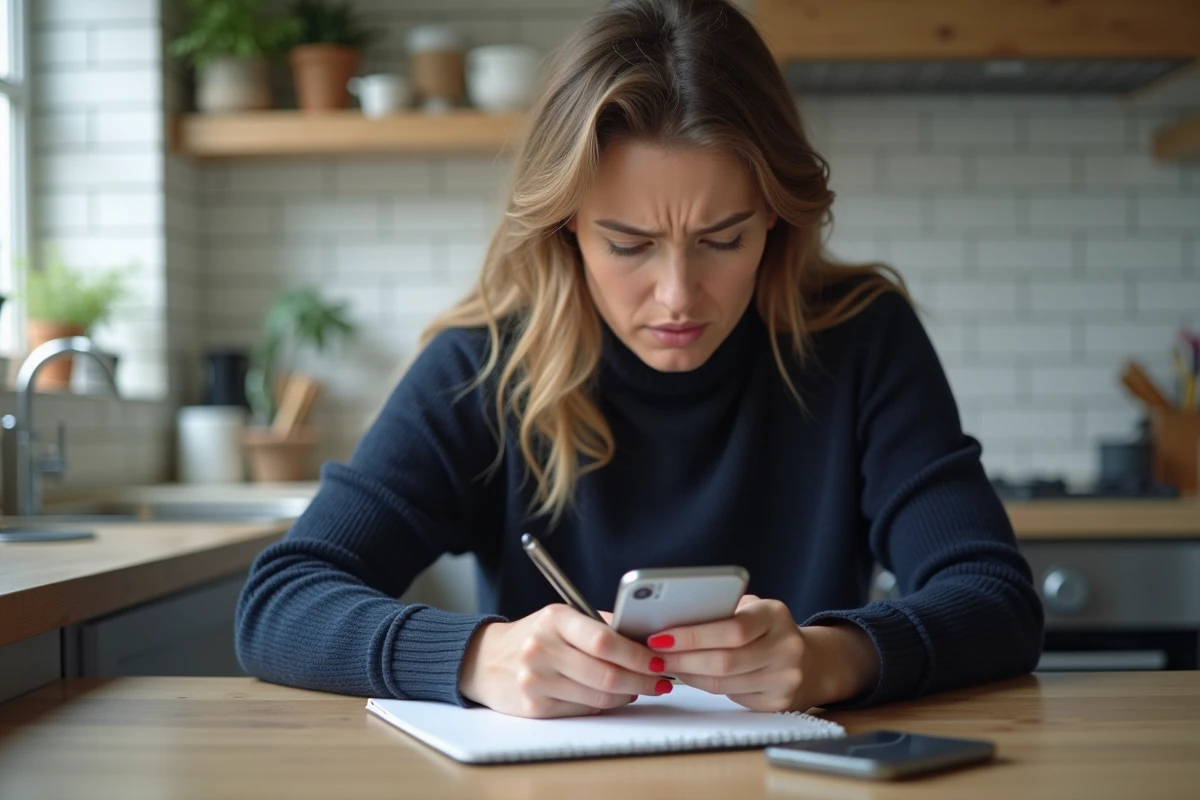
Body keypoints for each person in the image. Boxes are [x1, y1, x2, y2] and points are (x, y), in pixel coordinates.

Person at [235, 0, 1043, 719]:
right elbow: (280, 601)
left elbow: (995, 599)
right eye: (629, 245)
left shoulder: (862, 339)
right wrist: (479, 657)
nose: (678, 296)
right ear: (567, 231)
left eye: (723, 240)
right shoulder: (481, 369)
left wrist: (836, 657)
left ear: (776, 220)